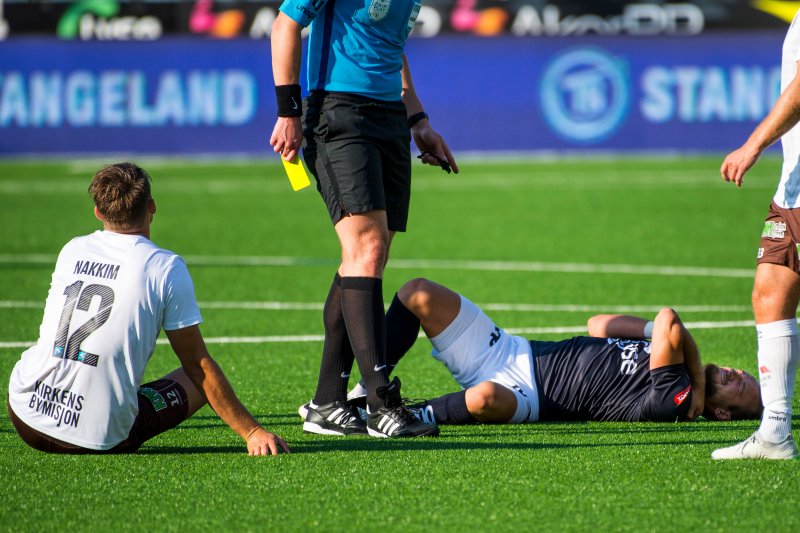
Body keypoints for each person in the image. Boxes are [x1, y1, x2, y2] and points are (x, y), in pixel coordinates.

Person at [7, 163, 289, 456]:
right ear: (151, 206)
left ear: (99, 213)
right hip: (97, 436)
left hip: (25, 412)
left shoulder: (72, 249)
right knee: (197, 378)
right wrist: (252, 431)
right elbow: (196, 364)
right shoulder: (164, 267)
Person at [268, 0, 457, 438]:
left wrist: (418, 120)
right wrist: (289, 110)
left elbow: (393, 47)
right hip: (337, 112)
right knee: (366, 250)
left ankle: (327, 402)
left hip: (389, 116)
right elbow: (285, 25)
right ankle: (380, 404)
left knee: (369, 254)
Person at [343, 278, 761, 426]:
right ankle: (367, 393)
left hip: (531, 398)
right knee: (417, 293)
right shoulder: (671, 362)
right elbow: (598, 324)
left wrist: (700, 390)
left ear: (722, 413)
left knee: (483, 399)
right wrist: (658, 339)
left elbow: (670, 318)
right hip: (509, 349)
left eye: (742, 388)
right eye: (745, 373)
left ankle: (412, 414)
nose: (738, 373)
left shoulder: (677, 399)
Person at [715, 11, 800, 459]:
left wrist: (753, 145)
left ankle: (776, 430)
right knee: (771, 290)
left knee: (772, 290)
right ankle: (775, 431)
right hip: (794, 185)